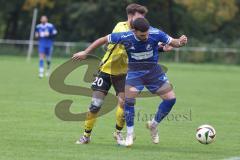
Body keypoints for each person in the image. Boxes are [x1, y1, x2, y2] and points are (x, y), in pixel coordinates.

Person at [72, 18, 187, 147]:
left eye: (147, 33)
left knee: (171, 99)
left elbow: (174, 42)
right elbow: (103, 39)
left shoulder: (156, 33)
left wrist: (181, 42)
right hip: (134, 73)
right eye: (142, 35)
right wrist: (86, 52)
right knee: (128, 101)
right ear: (134, 31)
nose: (146, 36)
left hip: (153, 72)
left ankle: (153, 125)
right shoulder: (124, 36)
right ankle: (129, 134)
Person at [74, 3, 149, 145]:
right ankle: (86, 136)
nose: (143, 20)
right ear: (131, 16)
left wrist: (163, 47)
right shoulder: (121, 27)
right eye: (140, 17)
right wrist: (85, 52)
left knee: (125, 103)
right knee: (95, 105)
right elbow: (107, 40)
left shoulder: (142, 31)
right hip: (106, 71)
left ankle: (118, 133)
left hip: (123, 74)